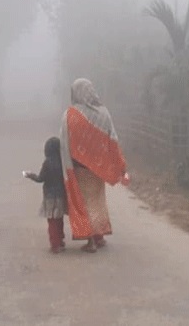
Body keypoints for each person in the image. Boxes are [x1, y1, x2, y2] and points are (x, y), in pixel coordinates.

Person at [60, 78, 131, 253]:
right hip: (99, 168)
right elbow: (112, 140)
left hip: (79, 168)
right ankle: (100, 236)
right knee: (97, 201)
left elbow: (64, 143)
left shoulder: (70, 115)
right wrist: (119, 166)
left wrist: (65, 168)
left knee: (85, 203)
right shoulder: (104, 113)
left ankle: (91, 240)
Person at [24, 137, 68, 254]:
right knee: (59, 219)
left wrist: (30, 175)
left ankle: (55, 245)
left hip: (49, 196)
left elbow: (40, 178)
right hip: (60, 195)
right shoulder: (63, 162)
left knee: (52, 221)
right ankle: (61, 240)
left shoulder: (47, 163)